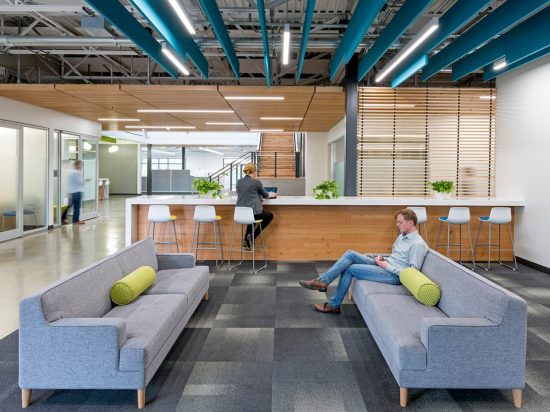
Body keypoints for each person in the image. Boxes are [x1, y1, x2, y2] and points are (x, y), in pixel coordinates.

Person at [299, 208, 429, 314]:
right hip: (386, 264)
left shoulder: (417, 244)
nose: (397, 225)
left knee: (350, 269)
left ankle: (333, 305)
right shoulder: (403, 236)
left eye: (400, 222)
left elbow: (412, 273)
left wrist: (387, 266)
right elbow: (397, 257)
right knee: (350, 253)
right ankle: (322, 281)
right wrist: (383, 259)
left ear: (410, 223)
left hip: (394, 275)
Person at [236, 163, 276, 250]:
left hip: (240, 214)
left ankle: (247, 239)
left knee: (252, 217)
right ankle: (252, 236)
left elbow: (245, 193)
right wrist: (271, 194)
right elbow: (266, 195)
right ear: (254, 171)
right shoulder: (256, 182)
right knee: (269, 215)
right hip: (252, 213)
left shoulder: (239, 182)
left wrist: (255, 195)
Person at [62, 160, 86, 225]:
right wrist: (85, 181)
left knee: (70, 206)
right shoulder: (76, 173)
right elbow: (80, 182)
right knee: (77, 207)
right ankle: (75, 220)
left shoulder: (70, 172)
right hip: (76, 192)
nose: (81, 166)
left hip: (72, 192)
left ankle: (63, 218)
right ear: (76, 165)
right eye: (80, 165)